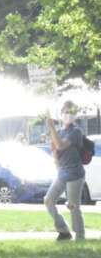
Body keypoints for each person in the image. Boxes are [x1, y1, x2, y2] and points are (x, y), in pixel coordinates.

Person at [46, 103, 87, 242]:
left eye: (71, 112)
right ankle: (64, 231)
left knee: (73, 206)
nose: (68, 115)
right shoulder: (59, 131)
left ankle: (80, 237)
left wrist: (51, 127)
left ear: (75, 115)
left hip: (75, 174)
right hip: (62, 173)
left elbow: (61, 145)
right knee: (48, 200)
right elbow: (55, 151)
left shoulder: (76, 131)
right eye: (66, 112)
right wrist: (56, 159)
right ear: (61, 113)